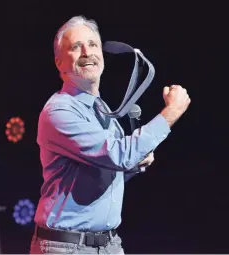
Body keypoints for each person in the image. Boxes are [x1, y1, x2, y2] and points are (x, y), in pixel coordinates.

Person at [29, 15, 191, 254]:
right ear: (59, 62)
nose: (87, 52)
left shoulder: (100, 110)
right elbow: (117, 155)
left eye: (93, 45)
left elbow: (105, 170)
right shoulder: (59, 111)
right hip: (66, 247)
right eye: (76, 47)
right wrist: (171, 112)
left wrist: (134, 164)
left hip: (108, 245)